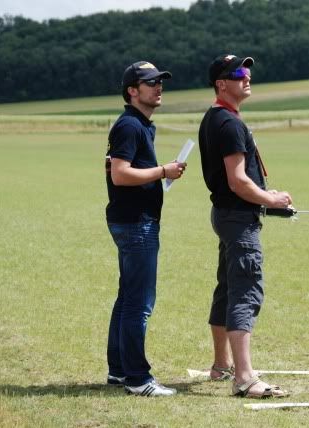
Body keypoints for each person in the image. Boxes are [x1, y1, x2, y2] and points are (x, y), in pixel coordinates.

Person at [198, 54, 293, 398]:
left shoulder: (214, 118)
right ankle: (244, 377)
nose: (247, 75)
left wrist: (265, 199)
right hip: (238, 218)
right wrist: (272, 200)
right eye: (239, 72)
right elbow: (238, 181)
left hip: (226, 214)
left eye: (247, 70)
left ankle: (221, 364)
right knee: (245, 291)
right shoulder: (230, 124)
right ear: (222, 83)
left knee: (227, 288)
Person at [105, 61, 186, 397]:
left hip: (133, 221)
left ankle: (119, 371)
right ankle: (138, 379)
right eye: (150, 82)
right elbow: (120, 174)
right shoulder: (129, 126)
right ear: (132, 91)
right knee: (139, 303)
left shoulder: (140, 125)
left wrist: (160, 173)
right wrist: (162, 171)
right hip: (137, 224)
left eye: (160, 81)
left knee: (128, 299)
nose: (158, 86)